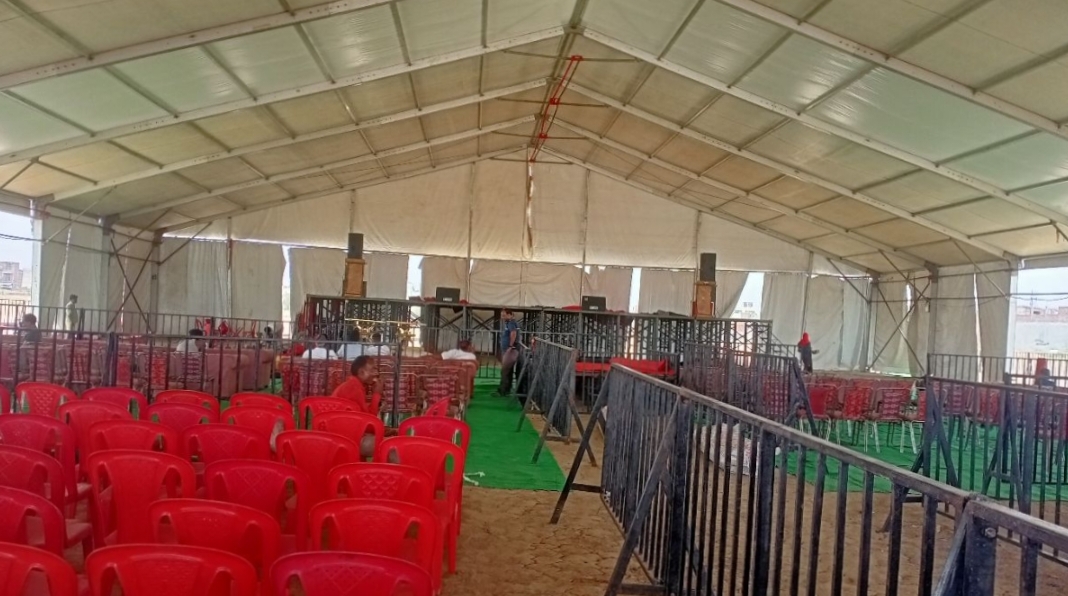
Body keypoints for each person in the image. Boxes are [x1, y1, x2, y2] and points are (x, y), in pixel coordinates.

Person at [331, 355, 382, 459]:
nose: (376, 373)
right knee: (392, 448)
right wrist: (376, 394)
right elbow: (369, 424)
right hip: (347, 439)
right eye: (373, 369)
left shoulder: (350, 385)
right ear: (361, 372)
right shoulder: (354, 389)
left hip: (339, 437)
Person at [497, 309, 520, 396]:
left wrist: (510, 346)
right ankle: (506, 389)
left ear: (509, 315)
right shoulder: (509, 323)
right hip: (510, 349)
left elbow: (513, 334)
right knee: (508, 370)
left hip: (510, 350)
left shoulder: (511, 323)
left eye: (504, 315)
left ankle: (503, 390)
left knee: (505, 370)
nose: (502, 317)